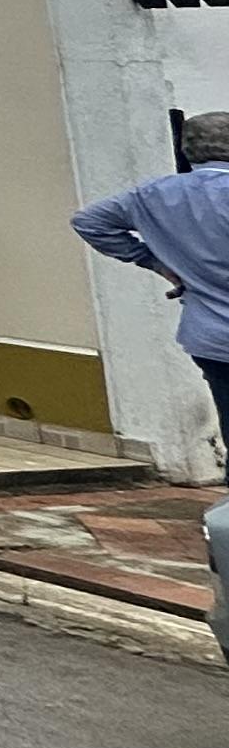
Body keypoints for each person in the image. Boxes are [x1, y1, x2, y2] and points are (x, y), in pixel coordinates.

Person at [66, 113, 229, 477]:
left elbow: (89, 221)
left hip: (211, 337)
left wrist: (156, 263)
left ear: (188, 151)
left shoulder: (154, 195)